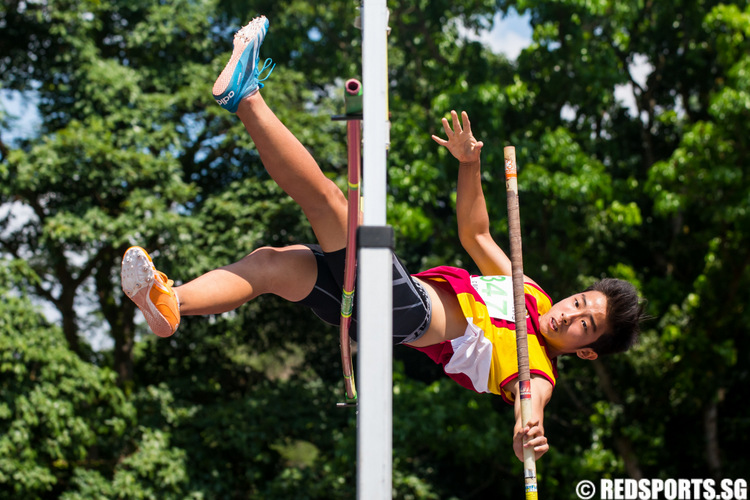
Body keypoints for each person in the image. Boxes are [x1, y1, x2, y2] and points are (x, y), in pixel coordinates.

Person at [121, 15, 645, 463]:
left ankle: (246, 96)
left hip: (406, 313)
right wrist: (470, 165)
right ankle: (171, 303)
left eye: (585, 326)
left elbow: (527, 409)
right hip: (386, 303)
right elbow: (475, 231)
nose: (570, 315)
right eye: (580, 303)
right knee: (272, 266)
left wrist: (526, 435)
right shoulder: (528, 291)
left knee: (332, 203)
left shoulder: (538, 370)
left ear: (588, 352)